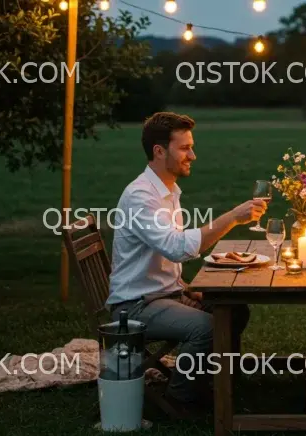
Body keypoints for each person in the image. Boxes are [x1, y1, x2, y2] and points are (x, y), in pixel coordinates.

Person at [105, 112, 266, 411]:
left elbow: (166, 258)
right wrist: (232, 218)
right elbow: (176, 248)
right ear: (159, 150)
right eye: (184, 148)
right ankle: (181, 399)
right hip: (135, 305)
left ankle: (215, 384)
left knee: (235, 309)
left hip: (164, 294)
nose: (192, 155)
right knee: (205, 327)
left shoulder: (166, 192)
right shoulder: (141, 196)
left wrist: (185, 287)